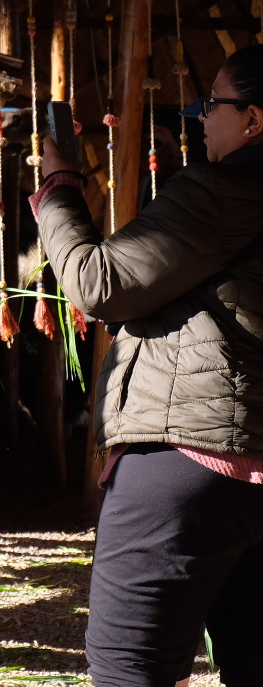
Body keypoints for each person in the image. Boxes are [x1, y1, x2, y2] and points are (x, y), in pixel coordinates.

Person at [36, 44, 263, 687]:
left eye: (212, 104)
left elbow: (97, 283)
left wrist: (59, 189)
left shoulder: (220, 194)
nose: (201, 118)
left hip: (187, 465)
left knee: (131, 670)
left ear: (253, 120)